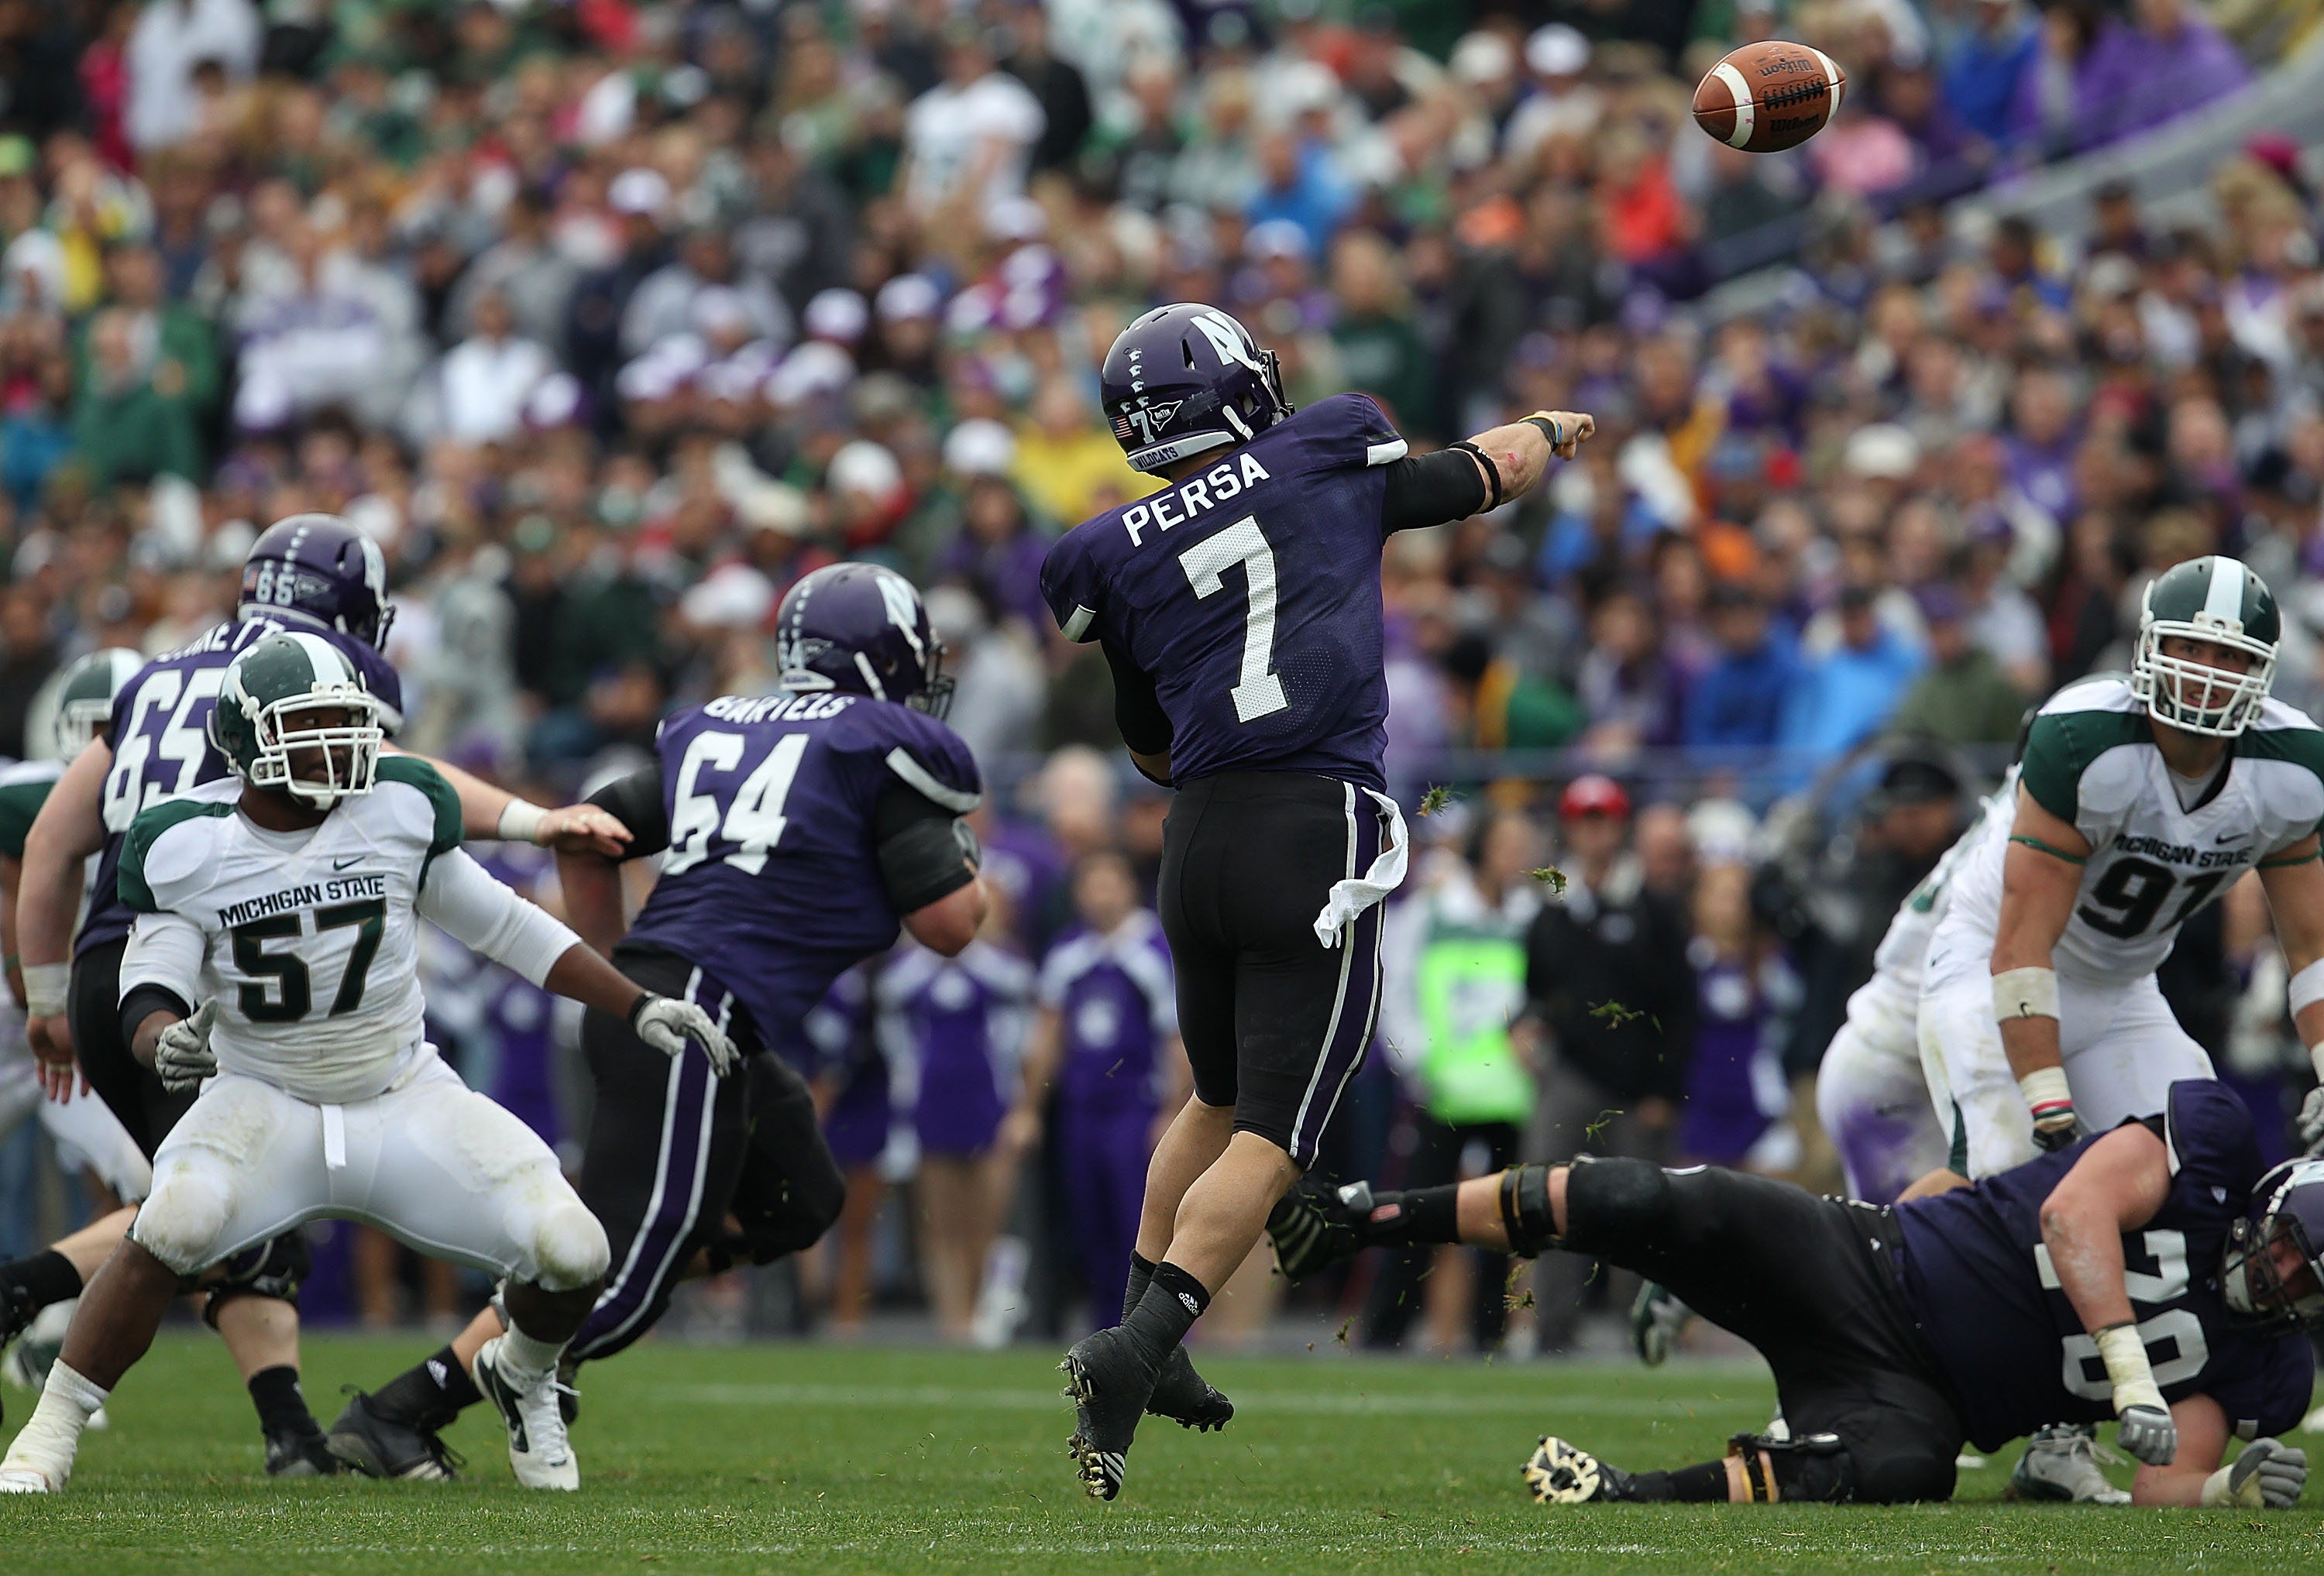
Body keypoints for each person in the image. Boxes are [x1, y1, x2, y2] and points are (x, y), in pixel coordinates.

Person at [1037, 297, 1593, 1499]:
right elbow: (1476, 477)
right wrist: (1552, 423)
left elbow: (1149, 748)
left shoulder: (1107, 551)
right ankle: (1136, 1349)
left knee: (1214, 1094)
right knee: (1277, 1133)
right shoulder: (1326, 448)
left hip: (1198, 841)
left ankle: (1150, 1333)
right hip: (1313, 825)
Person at [0, 632, 737, 1494]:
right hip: (261, 1098)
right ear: (245, 741)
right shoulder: (185, 840)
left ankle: (524, 1371)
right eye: (308, 726)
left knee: (575, 1249)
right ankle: (48, 1433)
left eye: (345, 724)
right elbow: (147, 980)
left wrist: (635, 1003)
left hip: (402, 1094)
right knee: (170, 1226)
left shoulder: (398, 806)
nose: (338, 745)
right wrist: (159, 1036)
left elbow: (504, 925)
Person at [325, 561, 986, 1480]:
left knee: (799, 1196)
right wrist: (968, 864)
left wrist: (613, 970)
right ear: (883, 659)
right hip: (691, 1012)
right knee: (626, 1285)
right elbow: (949, 925)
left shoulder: (726, 721)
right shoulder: (879, 744)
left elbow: (585, 829)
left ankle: (495, 1356)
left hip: (680, 1007)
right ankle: (409, 1410)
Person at [1268, 1078, 2315, 1509]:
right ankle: (1368, 1210)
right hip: (1864, 1259)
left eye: (2310, 1280)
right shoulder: (2210, 1148)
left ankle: (1631, 1491)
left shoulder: (2270, 1358)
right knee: (1655, 1198)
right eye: (2292, 1250)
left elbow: (2168, 1471)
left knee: (1905, 1471)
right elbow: (2072, 1216)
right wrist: (2129, 1367)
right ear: (2270, 1206)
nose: (2284, 1275)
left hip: (1922, 1396)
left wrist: (2224, 1489)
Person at [1917, 554, 2324, 1502]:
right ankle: (1854, 1303)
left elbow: (2311, 947)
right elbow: (2023, 941)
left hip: (2125, 981)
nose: (2200, 673)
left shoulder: (2292, 767)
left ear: (2262, 672)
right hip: (2003, 961)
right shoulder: (2086, 736)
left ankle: (2062, 1438)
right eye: (2183, 647)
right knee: (2014, 1168)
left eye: (2225, 658)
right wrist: (2051, 1100)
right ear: (2147, 646)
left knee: (2191, 1184)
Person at [1520, 774, 1697, 1354]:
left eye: (1604, 819)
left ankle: (1639, 1331)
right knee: (1547, 1199)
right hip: (1570, 1074)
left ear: (1620, 826)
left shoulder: (1653, 908)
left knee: (1638, 1211)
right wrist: (1527, 1030)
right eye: (1585, 820)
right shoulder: (1550, 910)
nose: (1595, 833)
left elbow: (1680, 1006)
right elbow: (1534, 991)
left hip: (1638, 1082)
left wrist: (1664, 1087)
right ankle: (1552, 1330)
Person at [1002, 848, 1186, 1336]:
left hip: (1135, 1107)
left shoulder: (1153, 951)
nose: (1101, 895)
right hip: (1083, 1109)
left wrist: (1173, 1110)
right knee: (1091, 1223)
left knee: (1138, 1221)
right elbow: (1047, 1038)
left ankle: (1157, 1328)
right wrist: (1029, 1107)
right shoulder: (1068, 953)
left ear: (1129, 888)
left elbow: (1177, 1038)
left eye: (1111, 883)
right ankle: (1108, 1328)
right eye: (1092, 884)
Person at [879, 901, 1032, 1344]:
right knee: (941, 1221)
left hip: (989, 1103)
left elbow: (1025, 1040)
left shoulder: (1003, 970)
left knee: (986, 1217)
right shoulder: (909, 972)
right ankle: (953, 1319)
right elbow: (895, 1033)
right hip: (932, 1104)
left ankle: (984, 1316)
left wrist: (1021, 1108)